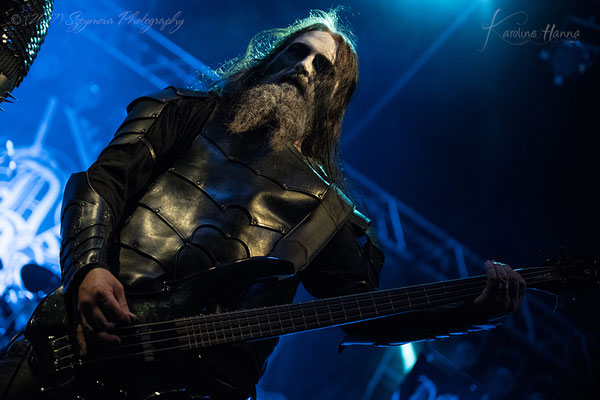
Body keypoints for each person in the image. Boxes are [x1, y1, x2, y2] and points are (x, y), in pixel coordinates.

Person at [1, 10, 525, 400]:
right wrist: (90, 268)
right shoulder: (185, 112)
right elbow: (100, 185)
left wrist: (472, 313)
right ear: (266, 62)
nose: (304, 68)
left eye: (323, 67)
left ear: (333, 101)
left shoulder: (326, 212)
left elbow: (367, 318)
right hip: (79, 343)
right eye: (295, 53)